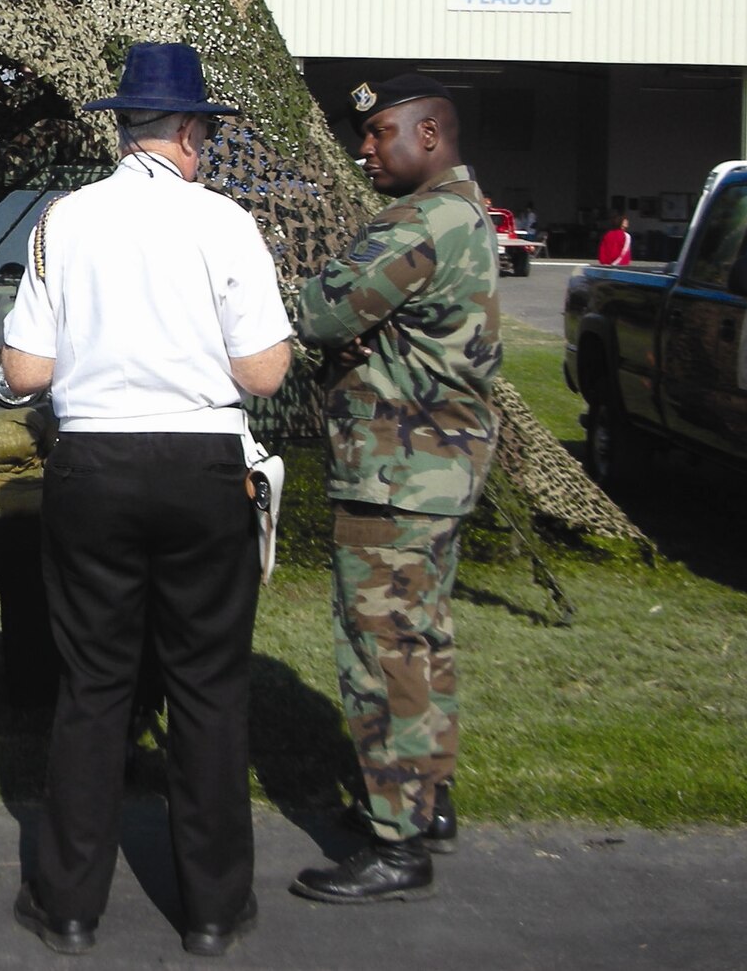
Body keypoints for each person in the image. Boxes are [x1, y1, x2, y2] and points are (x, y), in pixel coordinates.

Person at [0, 43, 292, 959]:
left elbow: (25, 370)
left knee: (93, 685)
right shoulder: (227, 222)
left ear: (124, 128)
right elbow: (263, 372)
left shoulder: (63, 220)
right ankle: (212, 909)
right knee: (207, 686)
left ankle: (68, 904)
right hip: (200, 460)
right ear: (191, 132)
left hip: (93, 461)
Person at [290, 73, 501, 905]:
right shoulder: (465, 212)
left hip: (396, 470)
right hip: (436, 469)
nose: (365, 149)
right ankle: (425, 800)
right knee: (422, 641)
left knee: (380, 653)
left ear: (430, 135)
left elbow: (322, 311)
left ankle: (395, 840)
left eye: (380, 132)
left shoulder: (420, 222)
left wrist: (333, 318)